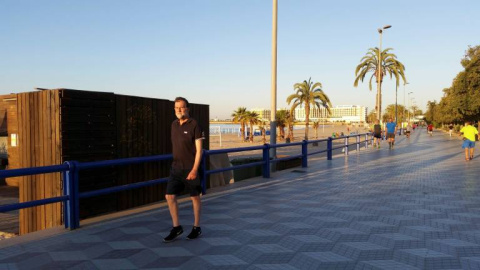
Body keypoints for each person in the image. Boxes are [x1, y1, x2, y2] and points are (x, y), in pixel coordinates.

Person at [164, 97, 204, 243]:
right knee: (169, 196)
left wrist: (194, 170)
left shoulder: (194, 125)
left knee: (194, 197)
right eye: (176, 108)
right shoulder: (174, 124)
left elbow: (200, 151)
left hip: (190, 168)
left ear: (187, 108)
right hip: (176, 168)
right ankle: (176, 227)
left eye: (182, 107)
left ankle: (196, 227)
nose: (179, 110)